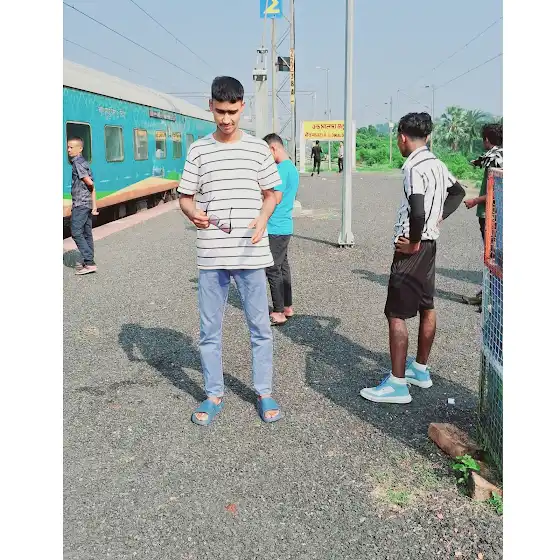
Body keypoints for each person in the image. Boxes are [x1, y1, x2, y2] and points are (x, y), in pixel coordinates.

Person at [178, 75, 284, 426]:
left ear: (242, 107)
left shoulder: (257, 150)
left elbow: (273, 193)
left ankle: (264, 391)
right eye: (220, 111)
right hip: (211, 256)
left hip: (251, 255)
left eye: (233, 112)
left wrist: (263, 218)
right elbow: (185, 197)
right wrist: (192, 213)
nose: (226, 119)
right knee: (209, 331)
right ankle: (213, 394)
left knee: (260, 327)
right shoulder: (198, 150)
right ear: (210, 106)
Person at [360, 112, 465, 404]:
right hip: (430, 246)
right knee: (426, 305)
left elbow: (417, 210)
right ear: (427, 137)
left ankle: (397, 385)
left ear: (402, 138)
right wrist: (439, 217)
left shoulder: (413, 167)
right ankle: (419, 369)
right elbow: (458, 192)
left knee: (396, 313)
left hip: (413, 247)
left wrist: (414, 243)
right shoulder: (438, 164)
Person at [462, 123, 503, 309]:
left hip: (490, 214)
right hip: (494, 214)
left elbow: (496, 191)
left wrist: (475, 200)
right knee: (494, 257)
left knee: (492, 257)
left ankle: (491, 300)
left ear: (486, 139)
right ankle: (487, 296)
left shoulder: (496, 157)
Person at [262, 133, 300, 326]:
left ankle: (278, 312)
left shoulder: (280, 169)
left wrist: (262, 193)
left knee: (272, 269)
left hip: (275, 226)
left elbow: (275, 199)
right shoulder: (291, 168)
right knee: (283, 267)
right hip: (284, 225)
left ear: (273, 148)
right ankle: (287, 306)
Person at [67, 137, 97, 275]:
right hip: (87, 203)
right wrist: (94, 205)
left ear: (80, 148)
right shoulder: (84, 162)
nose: (68, 150)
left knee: (76, 232)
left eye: (71, 147)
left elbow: (89, 182)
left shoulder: (77, 163)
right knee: (86, 232)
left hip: (80, 203)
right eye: (68, 147)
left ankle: (89, 262)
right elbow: (91, 185)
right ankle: (89, 262)